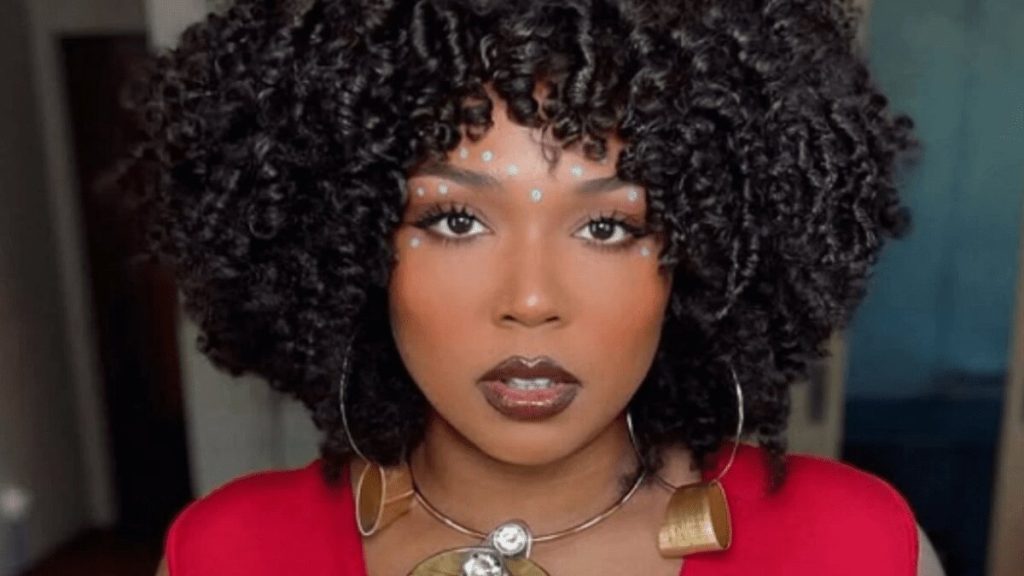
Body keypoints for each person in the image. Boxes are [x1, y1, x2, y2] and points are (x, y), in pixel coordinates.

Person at [115, 0, 945, 574]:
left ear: (703, 256)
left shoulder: (858, 547)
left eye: (608, 227)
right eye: (454, 220)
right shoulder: (226, 554)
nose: (532, 299)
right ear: (345, 239)